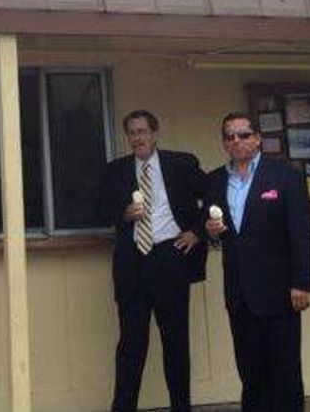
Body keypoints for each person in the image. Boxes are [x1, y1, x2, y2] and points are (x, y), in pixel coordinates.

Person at [205, 112, 310, 412]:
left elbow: (301, 233)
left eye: (243, 134)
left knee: (285, 371)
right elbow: (218, 235)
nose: (236, 141)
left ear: (257, 139)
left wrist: (302, 283)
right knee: (250, 372)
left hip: (280, 292)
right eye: (230, 136)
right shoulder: (214, 180)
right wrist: (212, 233)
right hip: (240, 294)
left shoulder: (285, 176)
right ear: (224, 143)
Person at [100, 109, 207, 412]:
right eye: (132, 133)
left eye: (142, 132)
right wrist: (123, 214)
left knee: (175, 341)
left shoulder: (181, 164)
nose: (137, 139)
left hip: (169, 256)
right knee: (131, 344)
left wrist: (196, 232)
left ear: (155, 134)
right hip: (132, 263)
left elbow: (213, 194)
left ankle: (181, 407)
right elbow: (99, 209)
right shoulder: (116, 171)